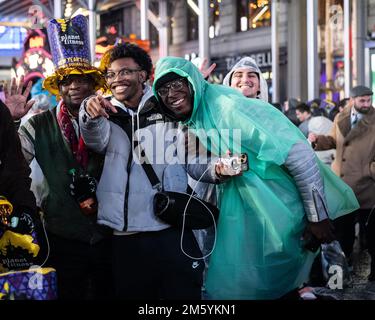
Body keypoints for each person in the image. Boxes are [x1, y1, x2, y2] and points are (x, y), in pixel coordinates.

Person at [152, 56, 359, 299]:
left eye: (178, 84)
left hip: (281, 214)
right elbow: (194, 163)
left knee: (277, 286)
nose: (171, 94)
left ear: (193, 83)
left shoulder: (228, 108)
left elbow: (300, 155)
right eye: (163, 89)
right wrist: (218, 169)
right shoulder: (195, 116)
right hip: (241, 219)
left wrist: (317, 216)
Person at [79, 43, 223, 300]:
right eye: (110, 75)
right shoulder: (103, 111)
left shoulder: (168, 109)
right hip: (125, 236)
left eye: (124, 72)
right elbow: (95, 140)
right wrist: (89, 113)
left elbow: (195, 163)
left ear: (143, 75)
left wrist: (218, 169)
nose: (116, 79)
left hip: (171, 228)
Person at [5, 15, 113, 300]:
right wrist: (11, 122)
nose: (74, 85)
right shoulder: (36, 125)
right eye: (66, 80)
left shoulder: (111, 118)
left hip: (110, 236)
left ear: (92, 83)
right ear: (58, 87)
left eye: (80, 78)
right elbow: (10, 165)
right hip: (60, 237)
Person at [308, 85, 375, 280]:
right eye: (362, 100)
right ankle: (341, 271)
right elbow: (332, 140)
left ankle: (372, 275)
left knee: (371, 234)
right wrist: (317, 141)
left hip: (367, 187)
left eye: (369, 100)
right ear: (353, 100)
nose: (367, 104)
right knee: (342, 232)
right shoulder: (341, 117)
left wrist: (371, 171)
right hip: (343, 187)